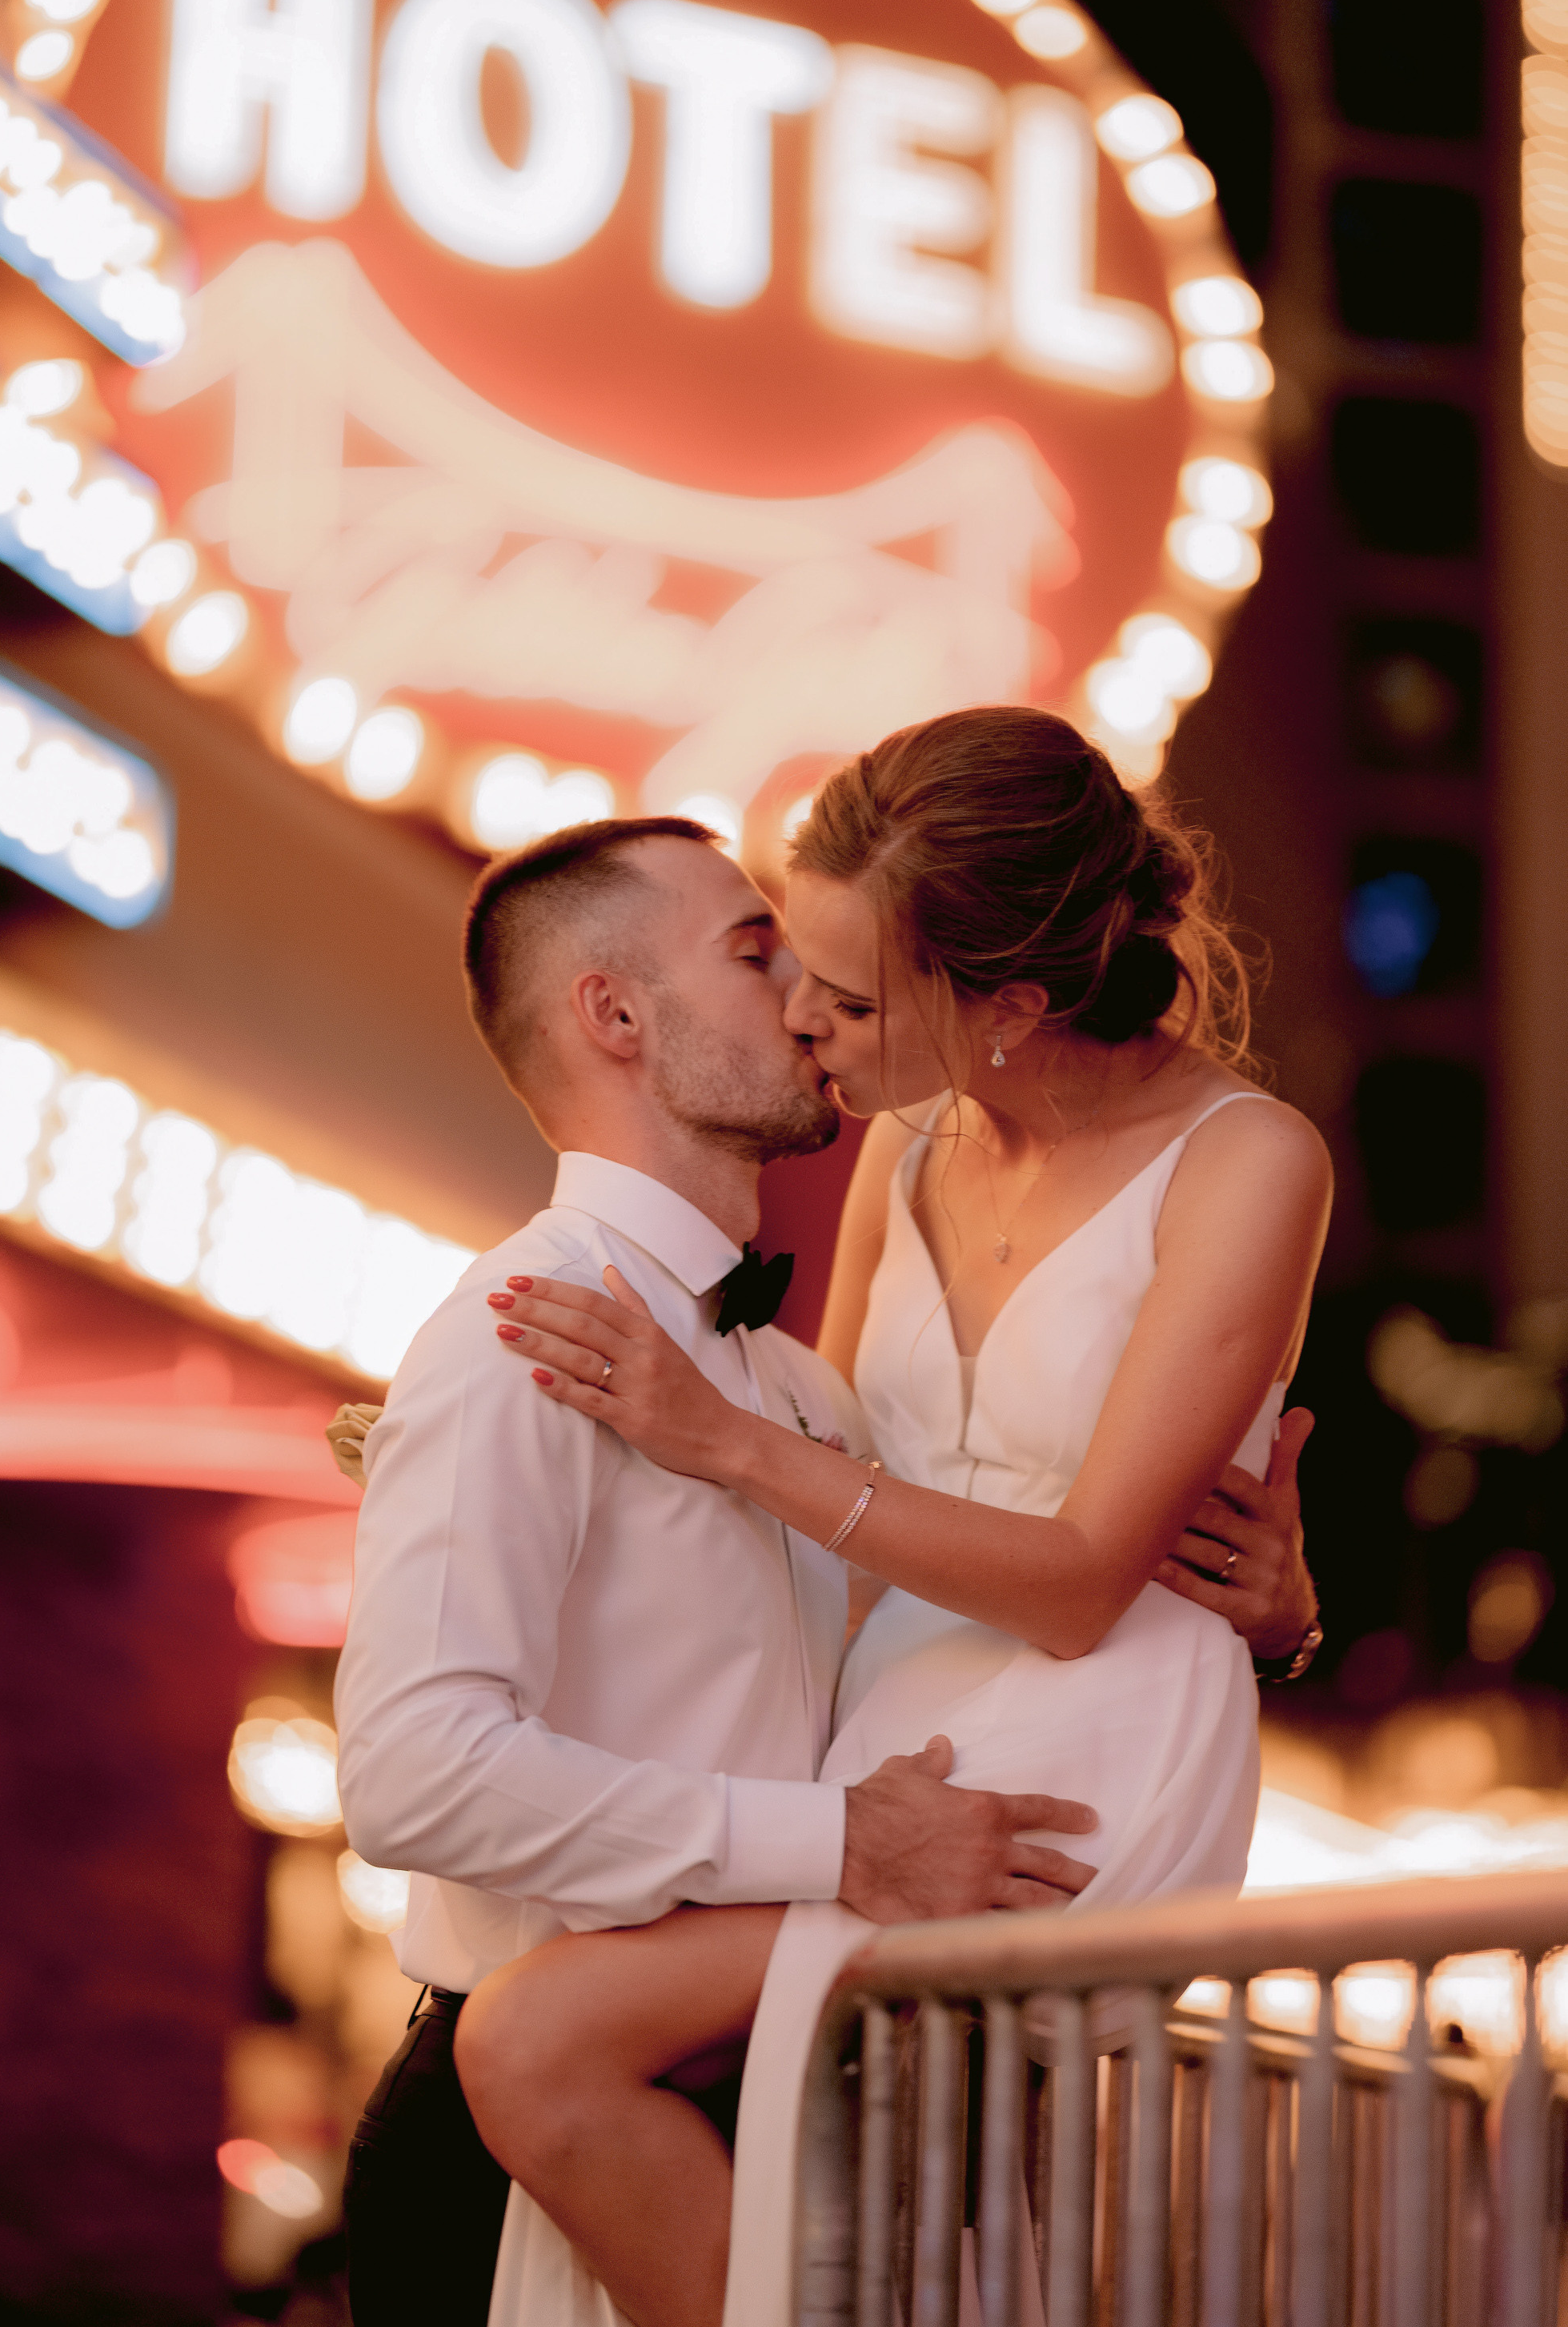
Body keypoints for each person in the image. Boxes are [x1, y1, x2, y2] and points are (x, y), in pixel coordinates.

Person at [452, 708, 1331, 2327]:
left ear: (1004, 1005)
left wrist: (720, 1443)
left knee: (541, 2038)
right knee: (872, 2219)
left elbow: (1074, 1586)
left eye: (849, 998)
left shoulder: (1244, 1161)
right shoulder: (908, 1149)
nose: (800, 1019)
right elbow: (832, 1494)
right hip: (881, 1724)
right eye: (790, 963)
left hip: (1089, 1726)